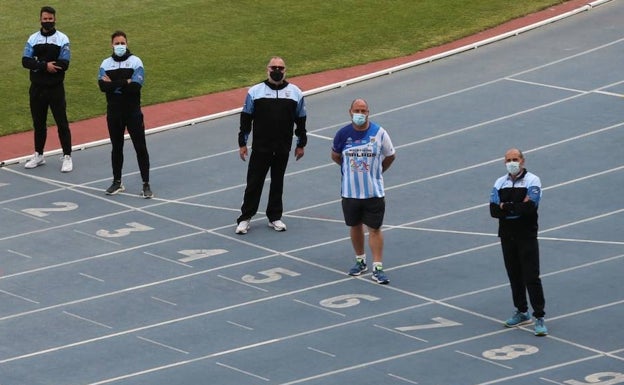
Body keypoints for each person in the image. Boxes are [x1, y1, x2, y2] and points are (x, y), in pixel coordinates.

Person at [235, 56, 307, 234]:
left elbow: (301, 121)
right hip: (261, 147)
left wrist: (301, 144)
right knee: (254, 183)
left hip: (283, 147)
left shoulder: (296, 92)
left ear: (285, 70)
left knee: (278, 183)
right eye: (273, 67)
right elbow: (246, 118)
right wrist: (242, 143)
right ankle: (245, 218)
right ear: (267, 69)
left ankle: (274, 217)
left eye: (280, 68)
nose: (277, 70)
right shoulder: (255, 92)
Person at [331, 99, 396, 284]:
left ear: (368, 112)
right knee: (355, 226)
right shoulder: (343, 134)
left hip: (373, 192)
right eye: (357, 110)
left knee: (375, 229)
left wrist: (377, 172)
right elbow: (335, 155)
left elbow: (391, 156)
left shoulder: (379, 133)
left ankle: (378, 267)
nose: (360, 114)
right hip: (350, 192)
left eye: (363, 110)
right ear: (350, 112)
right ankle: (360, 261)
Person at [489, 148, 547, 336]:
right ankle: (522, 311)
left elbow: (530, 207)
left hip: (526, 235)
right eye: (508, 160)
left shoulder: (533, 180)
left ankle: (539, 316)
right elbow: (493, 210)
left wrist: (506, 206)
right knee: (514, 275)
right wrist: (515, 207)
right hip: (507, 236)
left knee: (531, 276)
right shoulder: (500, 182)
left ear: (523, 161)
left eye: (515, 159)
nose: (512, 162)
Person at [98, 30, 153, 198]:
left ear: (127, 44)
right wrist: (125, 82)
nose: (120, 46)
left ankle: (146, 184)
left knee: (140, 147)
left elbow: (136, 86)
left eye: (122, 43)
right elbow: (102, 87)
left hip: (133, 112)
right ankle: (117, 182)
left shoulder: (136, 62)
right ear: (112, 45)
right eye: (117, 43)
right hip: (114, 113)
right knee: (117, 148)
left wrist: (114, 85)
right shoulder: (105, 64)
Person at [22, 6, 73, 172]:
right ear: (40, 20)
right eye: (45, 19)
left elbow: (64, 64)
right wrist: (45, 65)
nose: (48, 21)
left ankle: (67, 156)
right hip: (37, 88)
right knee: (38, 123)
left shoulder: (62, 38)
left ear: (55, 19)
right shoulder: (33, 39)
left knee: (61, 122)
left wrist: (38, 64)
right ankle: (39, 154)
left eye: (50, 19)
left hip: (55, 88)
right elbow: (25, 61)